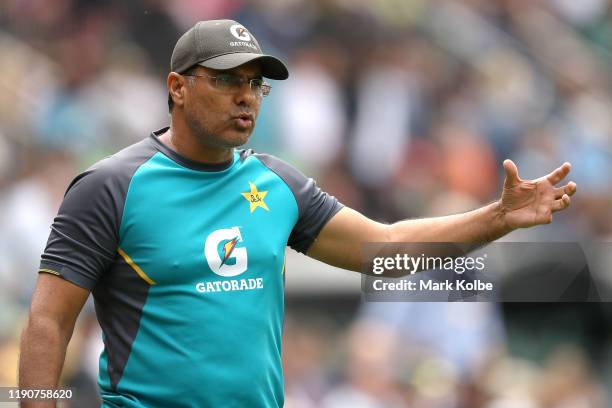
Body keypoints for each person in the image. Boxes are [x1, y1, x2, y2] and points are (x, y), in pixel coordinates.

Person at [18, 19, 576, 408]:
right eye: (227, 80)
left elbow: (385, 252)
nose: (247, 97)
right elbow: (48, 321)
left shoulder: (277, 183)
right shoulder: (110, 186)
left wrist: (498, 217)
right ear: (177, 88)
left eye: (256, 84)